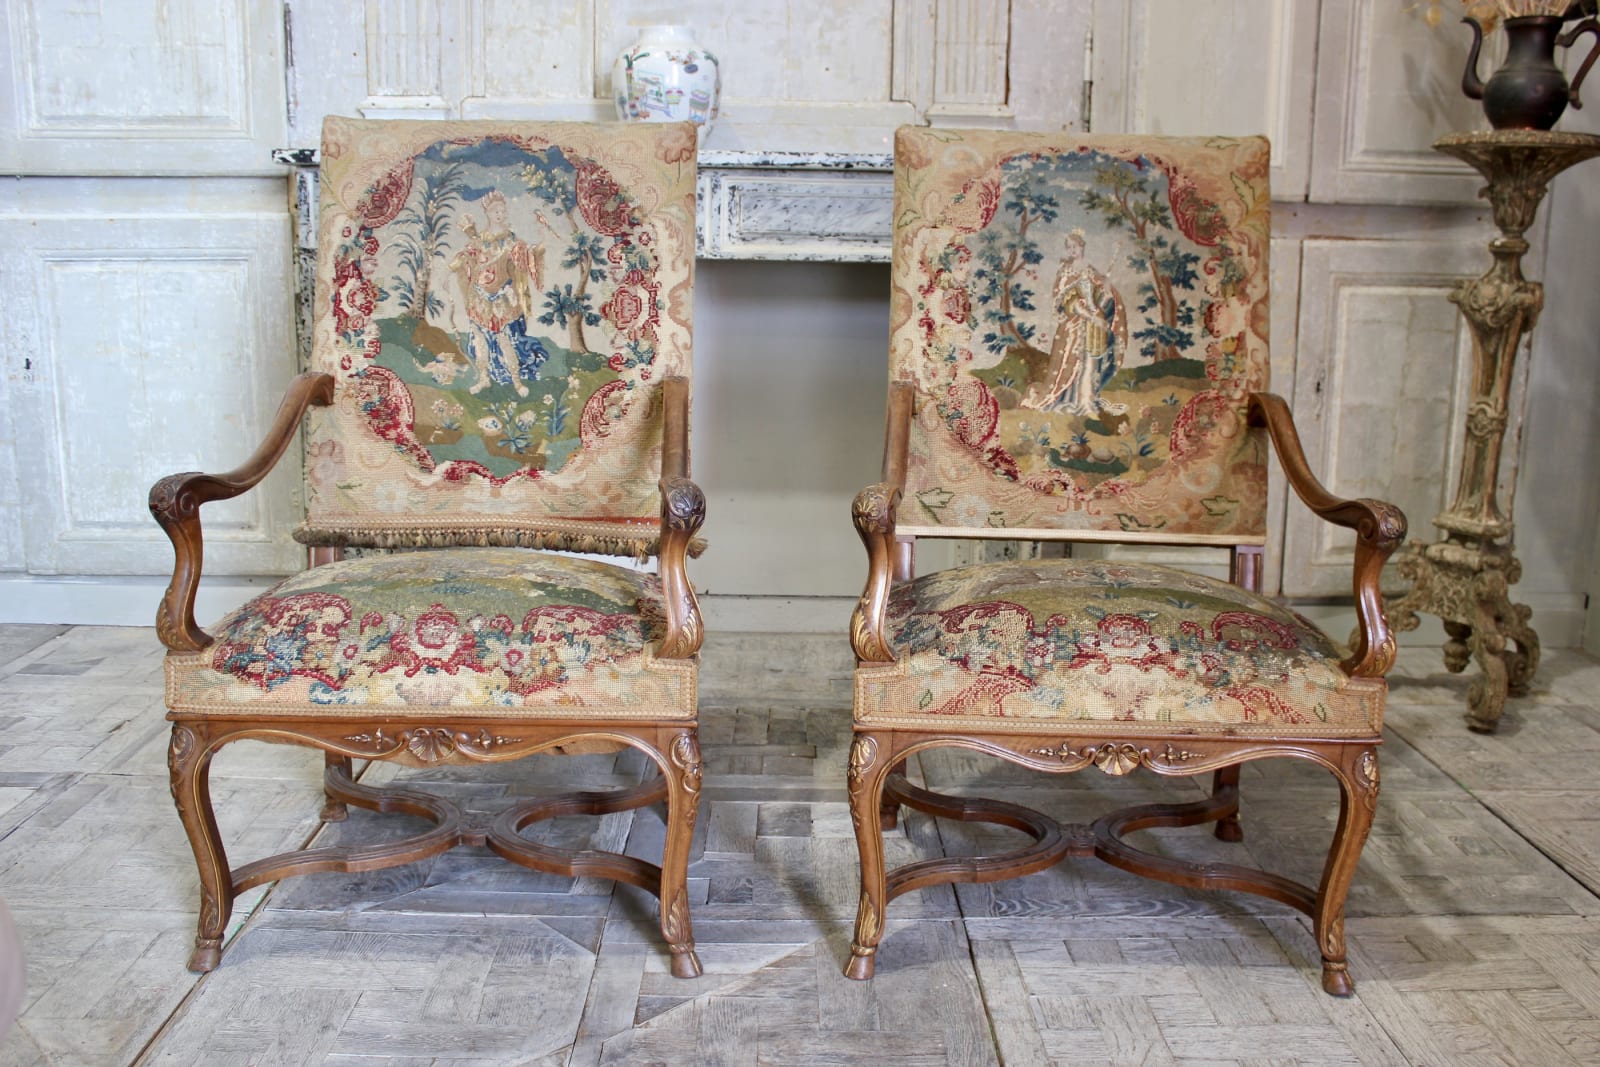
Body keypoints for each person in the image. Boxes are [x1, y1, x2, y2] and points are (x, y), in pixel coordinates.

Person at [448, 190, 548, 397]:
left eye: (502, 211)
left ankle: (517, 381)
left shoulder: (510, 240)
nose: (500, 215)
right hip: (480, 297)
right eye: (495, 211)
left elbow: (523, 255)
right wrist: (460, 259)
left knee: (505, 340)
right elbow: (469, 257)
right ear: (487, 213)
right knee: (480, 340)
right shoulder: (479, 239)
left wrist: (538, 247)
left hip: (502, 297)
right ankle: (483, 378)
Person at [1023, 230, 1128, 416]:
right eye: (1069, 247)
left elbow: (1100, 294)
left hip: (1092, 326)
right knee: (1071, 363)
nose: (1072, 250)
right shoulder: (1066, 270)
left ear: (1082, 246)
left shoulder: (1089, 269)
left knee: (1090, 364)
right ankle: (1069, 400)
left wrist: (1106, 288)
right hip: (1073, 326)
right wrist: (1084, 311)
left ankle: (1086, 400)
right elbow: (1062, 299)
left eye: (1075, 246)